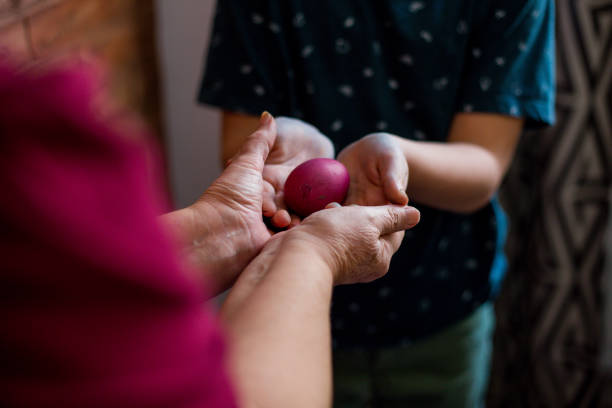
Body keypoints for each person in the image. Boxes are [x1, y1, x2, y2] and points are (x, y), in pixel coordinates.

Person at [0, 58, 420, 407]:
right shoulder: (32, 143)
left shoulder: (29, 147)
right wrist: (314, 250)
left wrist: (226, 228)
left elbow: (67, 300)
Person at [199, 0, 555, 406]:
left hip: (440, 304)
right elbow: (239, 146)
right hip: (291, 309)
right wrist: (275, 141)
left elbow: (484, 166)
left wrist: (396, 158)